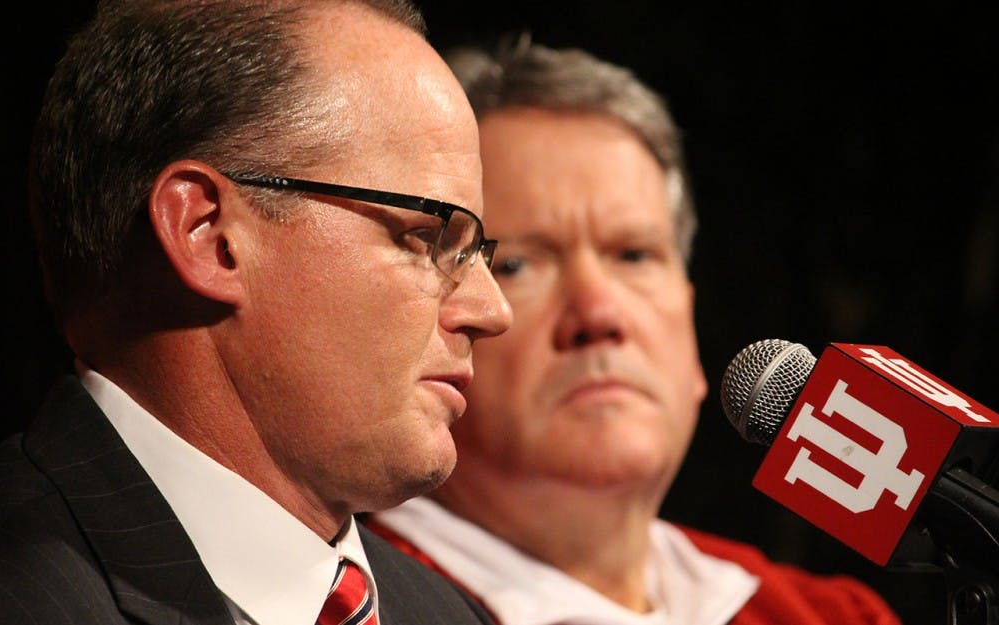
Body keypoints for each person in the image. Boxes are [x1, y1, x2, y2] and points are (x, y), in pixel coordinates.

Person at [0, 1, 514, 624]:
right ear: (209, 234)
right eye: (432, 237)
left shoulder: (445, 614)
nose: (492, 310)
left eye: (477, 253)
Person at [365, 35, 902, 625]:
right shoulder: (350, 603)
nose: (599, 313)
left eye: (635, 255)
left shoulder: (829, 616)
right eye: (517, 264)